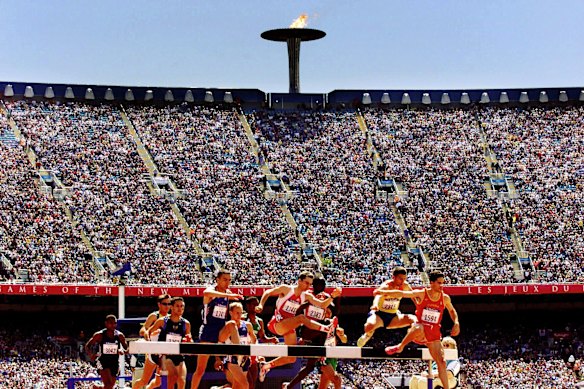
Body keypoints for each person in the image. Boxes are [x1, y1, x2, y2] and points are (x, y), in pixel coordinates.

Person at [255, 271, 342, 382]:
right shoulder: (286, 289)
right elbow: (268, 292)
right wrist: (261, 304)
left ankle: (266, 366)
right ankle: (326, 328)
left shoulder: (306, 295)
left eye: (310, 284)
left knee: (292, 357)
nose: (308, 286)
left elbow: (321, 304)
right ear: (299, 281)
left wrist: (332, 296)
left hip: (289, 326)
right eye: (306, 283)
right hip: (277, 324)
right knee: (301, 318)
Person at [383, 271, 460, 389]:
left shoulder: (445, 298)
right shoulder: (422, 293)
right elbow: (403, 294)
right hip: (419, 332)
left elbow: (452, 310)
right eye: (439, 283)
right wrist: (383, 292)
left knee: (442, 362)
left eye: (443, 283)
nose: (442, 286)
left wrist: (456, 322)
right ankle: (400, 346)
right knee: (420, 326)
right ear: (432, 283)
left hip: (433, 333)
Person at [191, 269, 244, 389]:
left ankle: (239, 353)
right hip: (208, 332)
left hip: (220, 332)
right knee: (200, 370)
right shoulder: (212, 292)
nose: (227, 283)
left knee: (231, 324)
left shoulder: (226, 294)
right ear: (217, 280)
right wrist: (229, 295)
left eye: (229, 280)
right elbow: (205, 292)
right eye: (225, 280)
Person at [283, 276, 331, 389]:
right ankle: (321, 355)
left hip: (318, 335)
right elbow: (298, 309)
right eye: (319, 285)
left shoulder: (326, 297)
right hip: (307, 329)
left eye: (323, 285)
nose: (322, 287)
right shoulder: (308, 295)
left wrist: (327, 304)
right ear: (314, 285)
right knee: (324, 327)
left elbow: (333, 310)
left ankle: (289, 386)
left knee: (309, 367)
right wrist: (310, 304)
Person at [356, 266, 416, 347]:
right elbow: (378, 295)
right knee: (368, 327)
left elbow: (413, 296)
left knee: (414, 319)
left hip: (394, 316)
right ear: (393, 277)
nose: (402, 281)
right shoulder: (386, 286)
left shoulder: (405, 285)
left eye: (404, 279)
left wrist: (418, 306)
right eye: (400, 278)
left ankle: (413, 338)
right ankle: (367, 335)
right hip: (380, 315)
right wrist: (375, 305)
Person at [148, 297, 192, 389]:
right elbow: (148, 332)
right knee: (172, 377)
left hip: (179, 355)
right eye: (177, 306)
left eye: (182, 306)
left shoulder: (186, 324)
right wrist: (152, 343)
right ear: (171, 307)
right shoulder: (162, 321)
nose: (180, 309)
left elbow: (190, 339)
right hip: (165, 355)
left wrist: (188, 340)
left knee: (182, 381)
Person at [134, 294, 172, 389]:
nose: (167, 306)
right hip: (152, 352)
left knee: (158, 382)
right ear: (159, 304)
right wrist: (149, 333)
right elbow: (142, 330)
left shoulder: (171, 318)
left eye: (169, 304)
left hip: (164, 352)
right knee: (144, 381)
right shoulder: (155, 316)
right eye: (164, 304)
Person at [218, 302, 259, 389]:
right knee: (245, 385)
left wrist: (254, 354)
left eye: (241, 313)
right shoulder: (228, 325)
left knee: (237, 387)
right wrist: (217, 359)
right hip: (232, 360)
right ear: (230, 313)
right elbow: (219, 342)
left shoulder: (247, 325)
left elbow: (254, 339)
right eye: (237, 313)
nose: (239, 315)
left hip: (245, 359)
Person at [84, 314, 129, 389]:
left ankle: (97, 387)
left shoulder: (120, 335)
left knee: (110, 386)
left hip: (114, 362)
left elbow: (127, 349)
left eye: (114, 323)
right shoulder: (99, 335)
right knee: (108, 384)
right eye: (110, 323)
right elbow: (88, 345)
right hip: (103, 361)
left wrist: (122, 351)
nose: (113, 325)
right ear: (106, 323)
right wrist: (91, 355)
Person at [243, 297, 278, 388]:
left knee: (252, 383)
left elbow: (262, 338)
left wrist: (271, 339)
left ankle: (262, 364)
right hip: (244, 351)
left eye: (257, 304)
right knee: (245, 382)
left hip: (253, 351)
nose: (256, 306)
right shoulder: (242, 318)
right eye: (253, 304)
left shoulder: (259, 321)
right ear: (248, 306)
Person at [317, 305, 347, 389]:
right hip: (323, 356)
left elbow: (345, 340)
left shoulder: (334, 325)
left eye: (329, 313)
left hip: (332, 356)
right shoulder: (318, 324)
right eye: (326, 312)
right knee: (337, 380)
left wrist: (342, 335)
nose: (328, 314)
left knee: (322, 387)